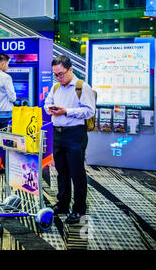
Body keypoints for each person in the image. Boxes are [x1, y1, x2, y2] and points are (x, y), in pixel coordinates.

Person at [44, 55, 95, 224]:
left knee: (77, 173)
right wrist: (50, 108)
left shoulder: (82, 87)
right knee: (62, 172)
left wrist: (66, 111)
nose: (58, 77)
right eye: (55, 74)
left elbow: (89, 111)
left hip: (75, 134)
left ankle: (79, 209)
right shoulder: (56, 87)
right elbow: (47, 103)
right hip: (58, 134)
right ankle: (63, 204)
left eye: (61, 73)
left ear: (70, 70)